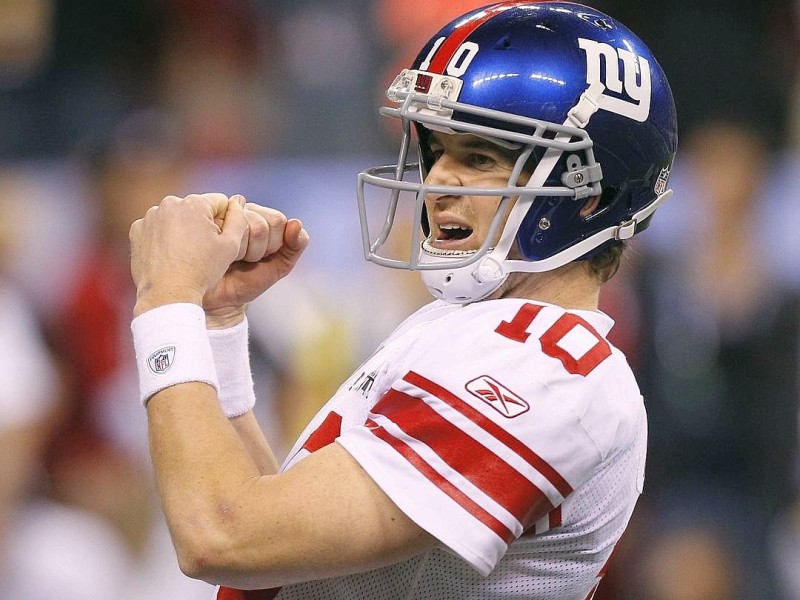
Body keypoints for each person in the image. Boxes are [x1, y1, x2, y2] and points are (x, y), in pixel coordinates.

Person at [127, 2, 677, 599]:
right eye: (438, 152)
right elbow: (285, 558)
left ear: (588, 196)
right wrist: (215, 323)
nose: (438, 181)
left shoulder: (548, 370)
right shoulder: (473, 328)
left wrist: (166, 300)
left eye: (480, 157)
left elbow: (223, 536)